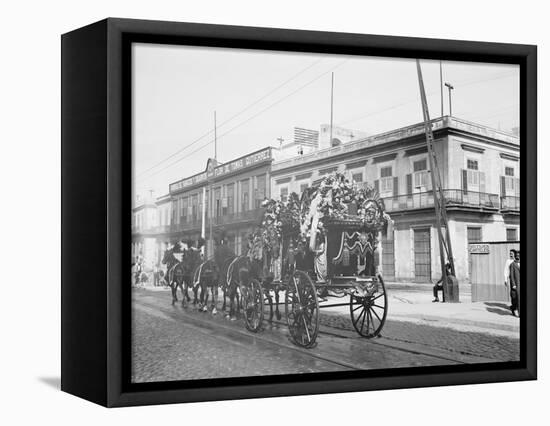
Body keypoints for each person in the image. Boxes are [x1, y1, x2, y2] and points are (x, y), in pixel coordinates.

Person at [509, 250, 520, 316]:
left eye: (519, 255)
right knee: (517, 299)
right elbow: (511, 275)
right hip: (517, 284)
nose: (517, 256)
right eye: (516, 255)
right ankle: (517, 311)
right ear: (515, 256)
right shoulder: (512, 264)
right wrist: (513, 284)